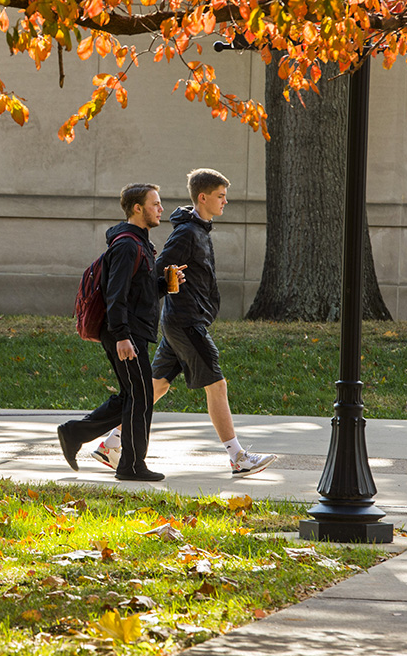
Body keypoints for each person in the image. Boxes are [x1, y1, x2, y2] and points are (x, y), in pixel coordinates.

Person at [90, 168, 277, 477]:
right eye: (220, 196)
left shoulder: (199, 229)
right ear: (202, 197)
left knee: (156, 386)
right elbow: (156, 273)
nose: (225, 202)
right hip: (186, 323)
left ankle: (110, 444)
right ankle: (238, 457)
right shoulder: (187, 232)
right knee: (217, 385)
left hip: (182, 321)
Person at [57, 183, 182, 482]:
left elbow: (138, 292)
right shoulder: (127, 245)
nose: (161, 209)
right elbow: (116, 295)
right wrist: (123, 335)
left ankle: (74, 433)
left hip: (130, 331)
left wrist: (164, 285)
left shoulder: (139, 244)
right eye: (155, 204)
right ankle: (132, 465)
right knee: (140, 397)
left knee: (134, 395)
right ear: (137, 208)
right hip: (125, 334)